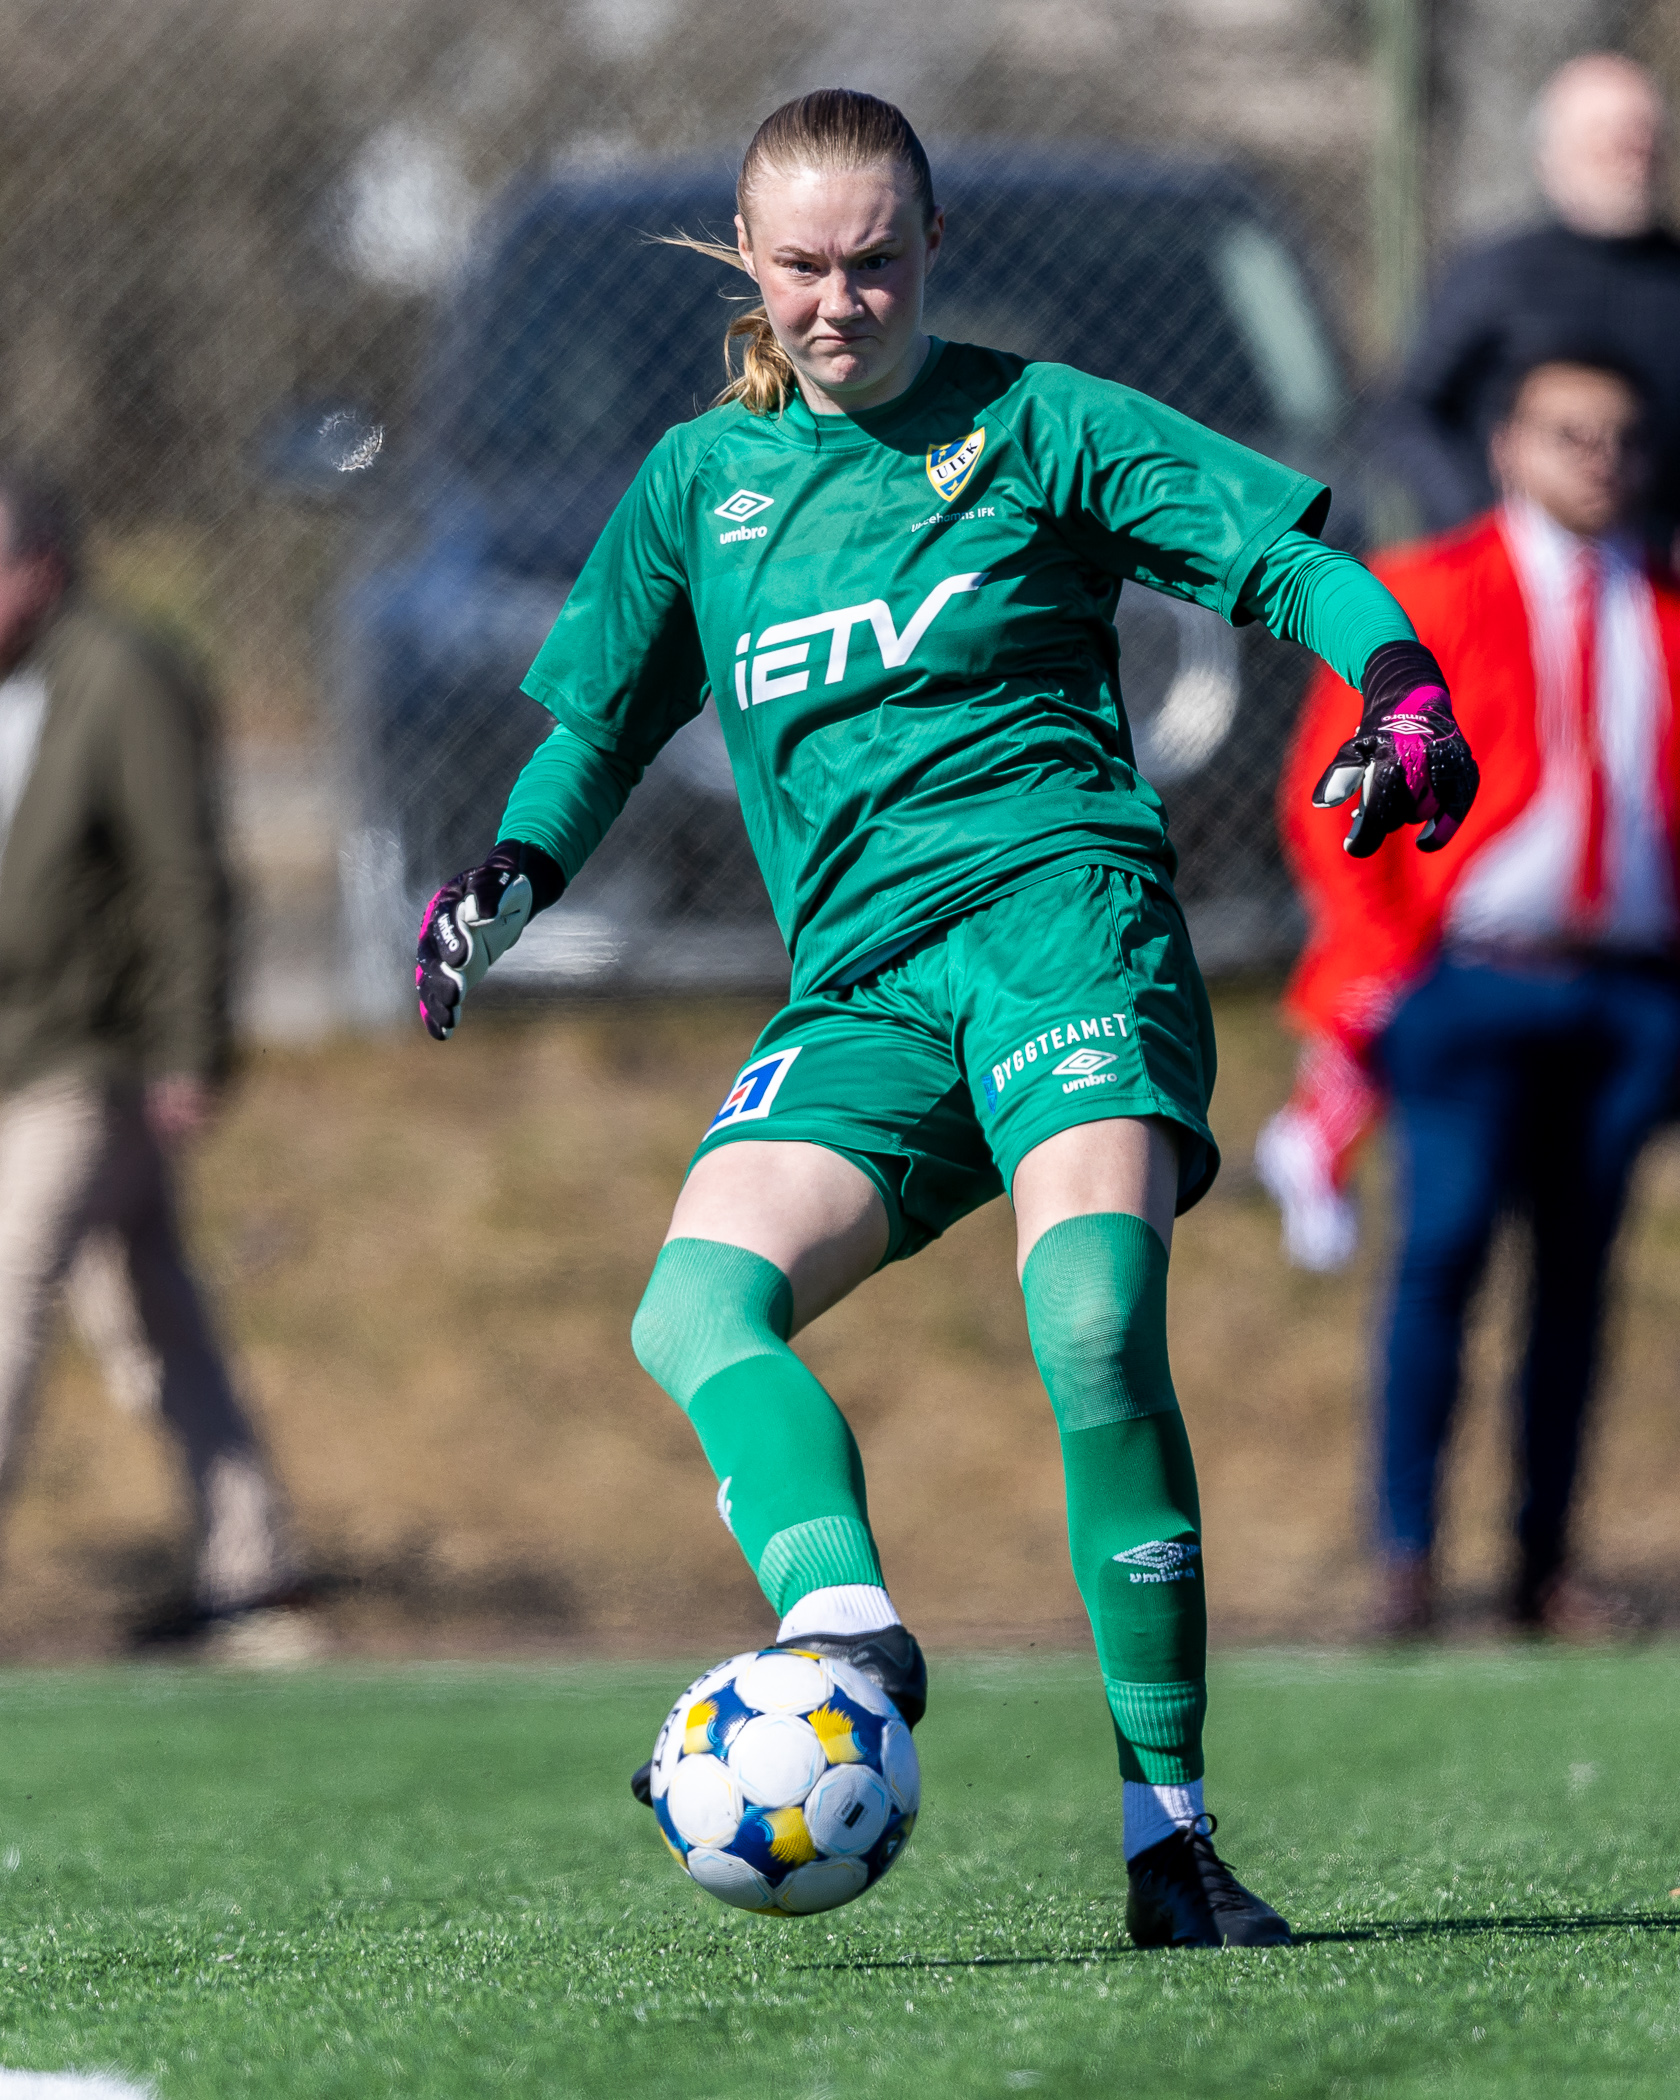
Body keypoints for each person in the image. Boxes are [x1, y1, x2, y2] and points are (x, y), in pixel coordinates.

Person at [412, 90, 1477, 1949]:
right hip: (865, 989)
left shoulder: (1040, 423)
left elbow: (1289, 561)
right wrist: (510, 872)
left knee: (1092, 1321)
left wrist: (1399, 684)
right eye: (804, 267)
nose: (841, 303)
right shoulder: (700, 483)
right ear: (750, 261)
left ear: (932, 248)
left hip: (1067, 931)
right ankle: (841, 1618)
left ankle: (1169, 1839)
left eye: (878, 262)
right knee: (692, 1304)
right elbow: (600, 727)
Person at [1271, 350, 1680, 1639]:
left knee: (1578, 1276)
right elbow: (1335, 799)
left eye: (1620, 438)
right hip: (1466, 978)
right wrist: (1381, 967)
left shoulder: (1663, 607)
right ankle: (1406, 1558)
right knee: (1442, 1250)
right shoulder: (1429, 594)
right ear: (1508, 446)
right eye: (1569, 433)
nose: (1599, 461)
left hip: (1626, 993)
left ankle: (1542, 1563)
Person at [0, 464, 306, 1647]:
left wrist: (188, 1050)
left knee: (9, 1284)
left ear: (39, 566)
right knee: (150, 1312)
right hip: (23, 1046)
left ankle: (252, 1565)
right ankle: (251, 1562)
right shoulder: (18, 681)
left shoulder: (117, 673)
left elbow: (182, 870)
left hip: (89, 1056)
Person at [1375, 54, 1680, 549]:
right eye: (1605, 133)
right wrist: (1477, 523)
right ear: (1553, 154)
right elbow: (1409, 414)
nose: (1632, 149)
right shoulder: (1494, 273)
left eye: (1643, 131)